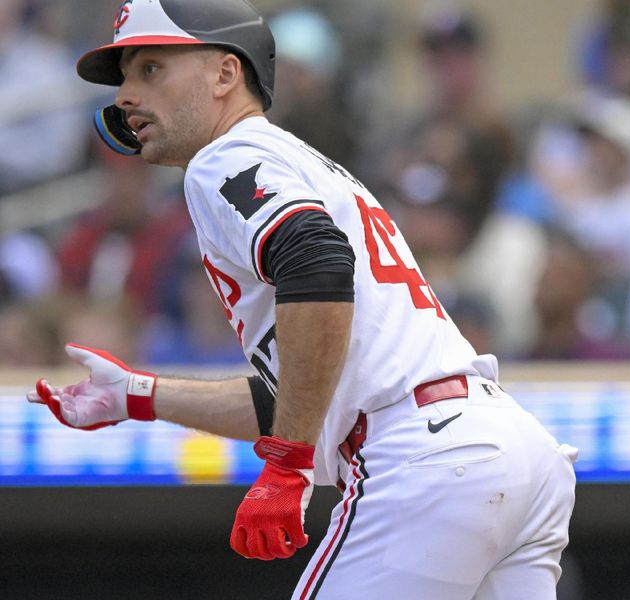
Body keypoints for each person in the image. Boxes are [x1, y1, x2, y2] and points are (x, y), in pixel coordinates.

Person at [27, 2, 577, 599]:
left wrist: (287, 462)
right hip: (505, 450)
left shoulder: (223, 159)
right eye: (126, 77)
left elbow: (315, 262)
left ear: (224, 75)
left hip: (426, 457)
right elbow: (307, 386)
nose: (127, 95)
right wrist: (139, 396)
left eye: (151, 69)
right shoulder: (294, 161)